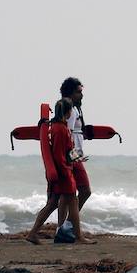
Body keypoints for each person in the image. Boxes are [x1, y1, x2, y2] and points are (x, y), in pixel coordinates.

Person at [24, 97, 95, 245]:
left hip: (60, 172)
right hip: (63, 174)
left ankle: (32, 234)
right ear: (68, 112)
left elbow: (67, 151)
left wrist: (77, 158)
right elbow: (59, 155)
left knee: (52, 204)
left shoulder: (55, 127)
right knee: (72, 202)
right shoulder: (61, 129)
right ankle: (79, 237)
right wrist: (67, 172)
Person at [60, 77, 93, 216]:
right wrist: (74, 157)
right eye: (79, 92)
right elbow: (67, 135)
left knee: (67, 195)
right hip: (72, 157)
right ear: (71, 93)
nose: (82, 94)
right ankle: (69, 224)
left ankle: (62, 227)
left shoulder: (75, 110)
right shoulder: (72, 111)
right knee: (85, 191)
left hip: (71, 157)